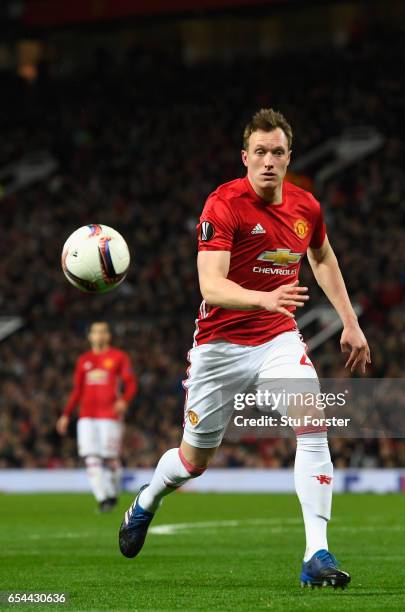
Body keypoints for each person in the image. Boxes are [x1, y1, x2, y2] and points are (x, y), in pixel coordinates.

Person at [119, 108, 370, 589]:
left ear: (289, 156)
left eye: (278, 152)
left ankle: (316, 553)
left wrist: (350, 321)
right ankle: (147, 499)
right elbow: (210, 285)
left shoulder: (306, 208)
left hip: (276, 337)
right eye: (260, 152)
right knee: (193, 462)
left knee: (313, 421)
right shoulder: (223, 205)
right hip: (219, 346)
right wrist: (264, 296)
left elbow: (321, 256)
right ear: (245, 157)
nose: (269, 161)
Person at [57, 321, 137, 512]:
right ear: (90, 336)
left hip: (109, 415)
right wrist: (66, 414)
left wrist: (124, 400)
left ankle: (113, 494)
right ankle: (103, 499)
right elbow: (77, 390)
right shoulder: (84, 360)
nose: (99, 335)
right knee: (90, 457)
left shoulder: (118, 357)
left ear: (108, 335)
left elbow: (131, 383)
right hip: (86, 415)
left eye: (103, 332)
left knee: (110, 458)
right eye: (95, 332)